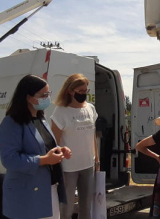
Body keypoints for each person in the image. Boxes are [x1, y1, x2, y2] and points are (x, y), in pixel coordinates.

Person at [0, 74, 71, 219]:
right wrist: (43, 160)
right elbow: (9, 160)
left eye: (48, 93)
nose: (47, 98)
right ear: (28, 97)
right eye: (43, 95)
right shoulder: (11, 122)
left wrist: (59, 150)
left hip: (49, 189)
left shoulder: (40, 119)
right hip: (27, 195)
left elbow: (44, 146)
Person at [51, 73, 99, 219]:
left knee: (87, 205)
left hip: (87, 164)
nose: (84, 94)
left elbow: (93, 135)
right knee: (67, 207)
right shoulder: (60, 111)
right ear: (71, 91)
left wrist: (97, 159)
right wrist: (56, 165)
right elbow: (55, 142)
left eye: (86, 91)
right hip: (68, 167)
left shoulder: (90, 108)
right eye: (81, 91)